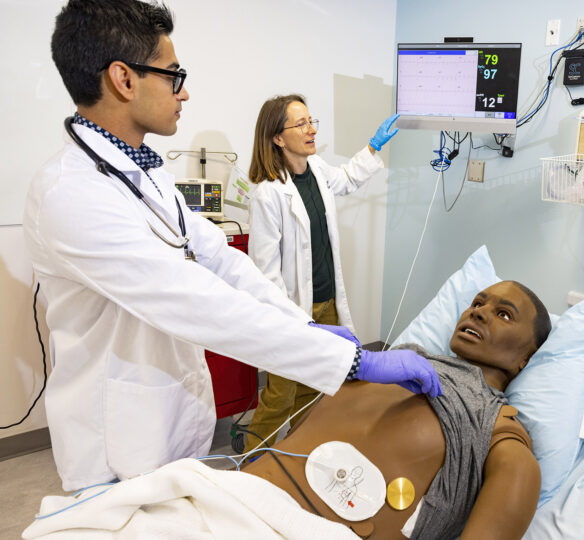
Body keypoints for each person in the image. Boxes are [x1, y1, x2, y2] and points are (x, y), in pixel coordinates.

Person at [24, 0, 440, 492]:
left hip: (171, 418)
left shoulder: (150, 176)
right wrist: (353, 360)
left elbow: (225, 262)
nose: (185, 92)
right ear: (124, 79)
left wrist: (305, 325)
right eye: (174, 76)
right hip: (116, 448)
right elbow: (192, 298)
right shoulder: (71, 195)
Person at [242, 280, 552, 539]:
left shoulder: (494, 425)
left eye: (504, 314)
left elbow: (521, 475)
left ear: (527, 357)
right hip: (236, 492)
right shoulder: (392, 363)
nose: (479, 313)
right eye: (477, 303)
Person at [243, 95, 399, 451]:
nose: (311, 129)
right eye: (301, 124)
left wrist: (372, 147)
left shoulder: (316, 170)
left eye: (311, 121)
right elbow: (265, 271)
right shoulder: (268, 195)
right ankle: (249, 459)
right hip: (294, 311)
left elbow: (344, 180)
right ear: (277, 138)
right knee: (281, 394)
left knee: (317, 387)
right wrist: (291, 320)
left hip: (327, 304)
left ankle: (300, 451)